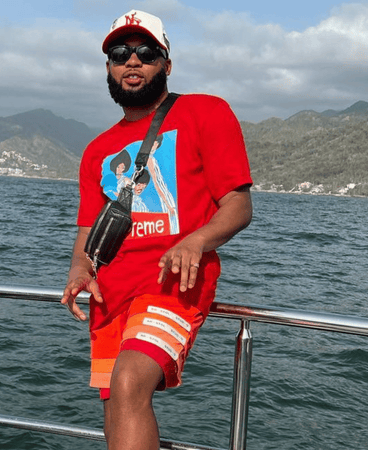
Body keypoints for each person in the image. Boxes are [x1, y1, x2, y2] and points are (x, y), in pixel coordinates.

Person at [61, 9, 253, 450]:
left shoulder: (206, 111)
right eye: (120, 53)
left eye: (146, 52)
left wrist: (196, 240)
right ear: (108, 67)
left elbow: (238, 205)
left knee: (130, 382)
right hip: (110, 295)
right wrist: (79, 270)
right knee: (115, 407)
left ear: (167, 64)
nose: (132, 61)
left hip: (171, 285)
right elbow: (88, 229)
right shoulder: (96, 150)